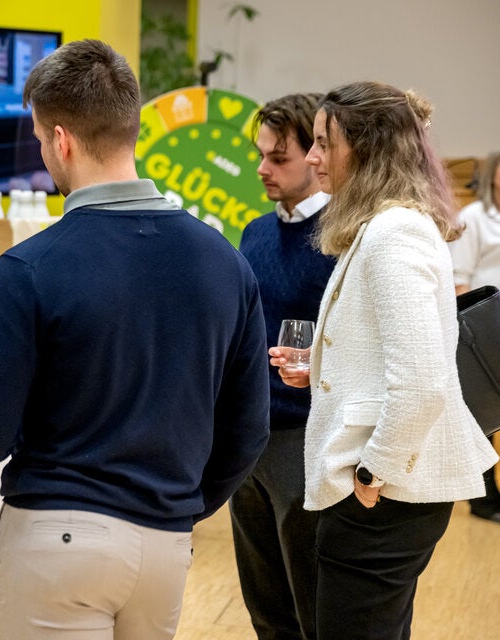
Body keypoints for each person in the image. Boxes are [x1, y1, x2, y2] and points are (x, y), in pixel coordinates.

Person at [0, 39, 270, 640]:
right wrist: (184, 505)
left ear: (62, 139)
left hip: (58, 535)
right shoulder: (226, 263)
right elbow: (249, 427)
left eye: (42, 139)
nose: (45, 153)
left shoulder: (29, 267)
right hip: (167, 542)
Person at [274, 81, 499, 639]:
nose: (312, 158)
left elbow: (422, 381)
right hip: (385, 491)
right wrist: (322, 369)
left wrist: (374, 472)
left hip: (383, 494)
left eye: (324, 143)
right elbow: (397, 355)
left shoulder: (395, 232)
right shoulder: (386, 226)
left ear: (367, 146)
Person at [230, 93, 335, 640]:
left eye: (278, 158)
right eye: (261, 154)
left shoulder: (345, 237)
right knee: (265, 605)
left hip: (309, 439)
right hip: (250, 436)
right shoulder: (254, 233)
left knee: (313, 605)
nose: (263, 168)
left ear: (316, 156)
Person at [448, 152, 500, 523]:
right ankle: (483, 497)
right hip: (485, 325)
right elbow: (460, 279)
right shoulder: (473, 218)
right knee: (483, 412)